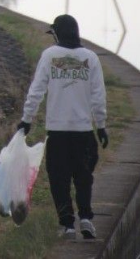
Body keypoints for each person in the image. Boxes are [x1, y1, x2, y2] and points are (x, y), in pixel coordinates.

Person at [17, 14, 107, 240]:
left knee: (59, 179)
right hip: (84, 131)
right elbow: (98, 96)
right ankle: (85, 218)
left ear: (57, 34)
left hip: (57, 131)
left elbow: (37, 90)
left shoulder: (50, 56)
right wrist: (102, 125)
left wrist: (27, 119)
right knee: (83, 177)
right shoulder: (91, 58)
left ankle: (67, 225)